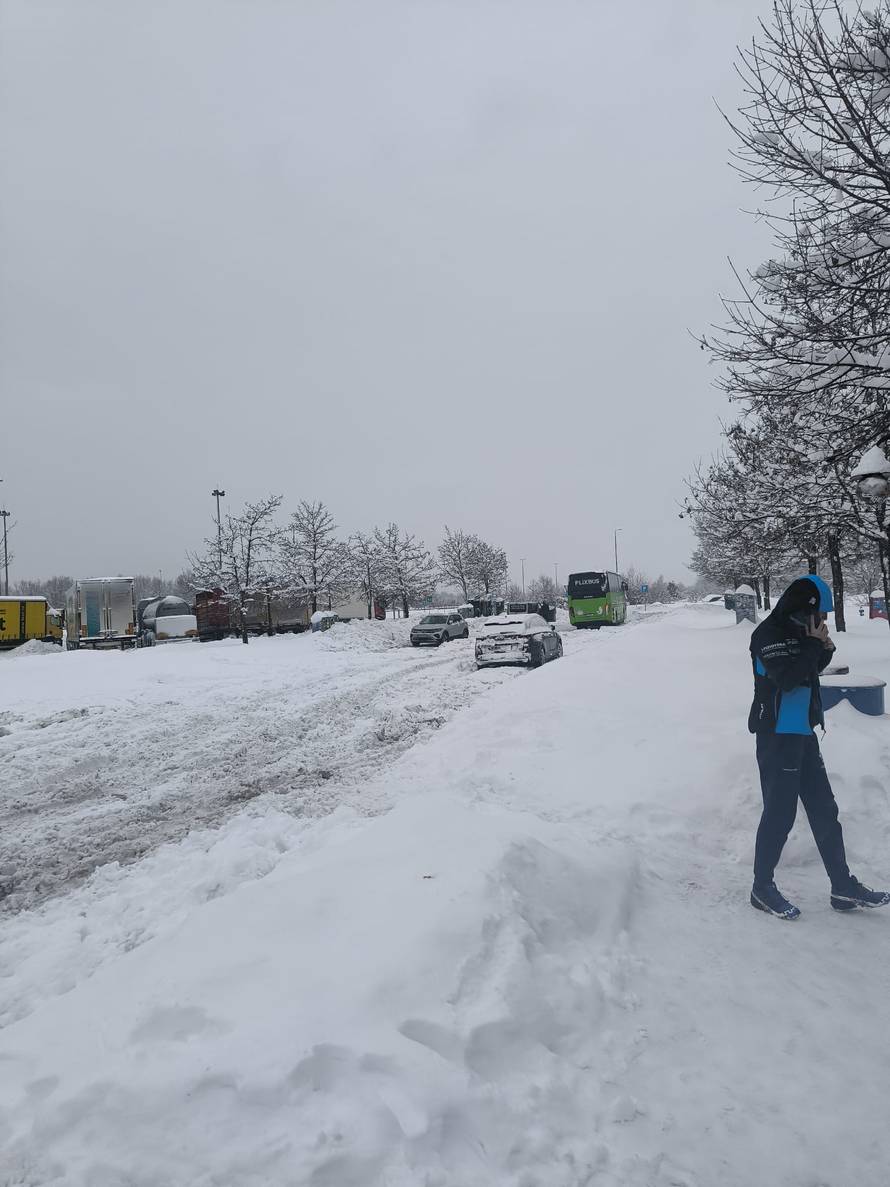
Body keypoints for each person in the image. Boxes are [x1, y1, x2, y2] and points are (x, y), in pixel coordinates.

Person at [748, 574, 889, 919]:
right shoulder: (766, 635)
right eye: (819, 617)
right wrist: (813, 647)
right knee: (780, 814)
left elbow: (811, 672)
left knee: (825, 809)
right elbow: (787, 678)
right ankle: (761, 887)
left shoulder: (800, 632)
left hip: (803, 734)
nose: (822, 623)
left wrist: (824, 649)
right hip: (777, 736)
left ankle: (842, 886)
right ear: (801, 609)